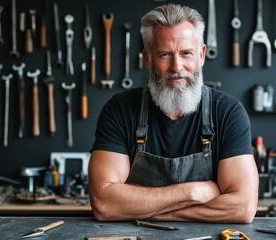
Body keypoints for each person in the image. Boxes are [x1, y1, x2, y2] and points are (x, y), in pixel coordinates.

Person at [88, 4, 258, 223]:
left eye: (186, 53)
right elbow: (104, 204)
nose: (176, 66)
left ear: (202, 55)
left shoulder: (227, 112)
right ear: (147, 59)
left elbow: (243, 208)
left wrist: (141, 208)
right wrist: (192, 193)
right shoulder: (119, 111)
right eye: (164, 54)